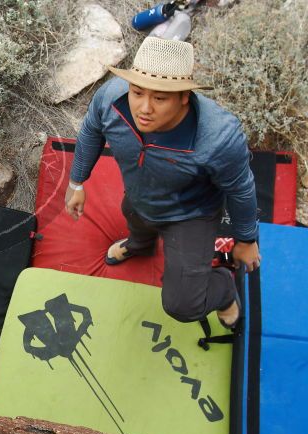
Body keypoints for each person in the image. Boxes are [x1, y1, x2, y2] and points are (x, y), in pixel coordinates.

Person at [65, 37, 261, 329]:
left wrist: (246, 239)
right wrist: (77, 181)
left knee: (183, 306)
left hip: (190, 213)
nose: (144, 108)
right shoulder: (111, 98)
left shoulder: (219, 138)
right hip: (139, 195)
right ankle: (140, 245)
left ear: (184, 96)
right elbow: (91, 131)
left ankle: (223, 289)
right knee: (133, 216)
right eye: (137, 92)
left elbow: (241, 189)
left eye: (159, 98)